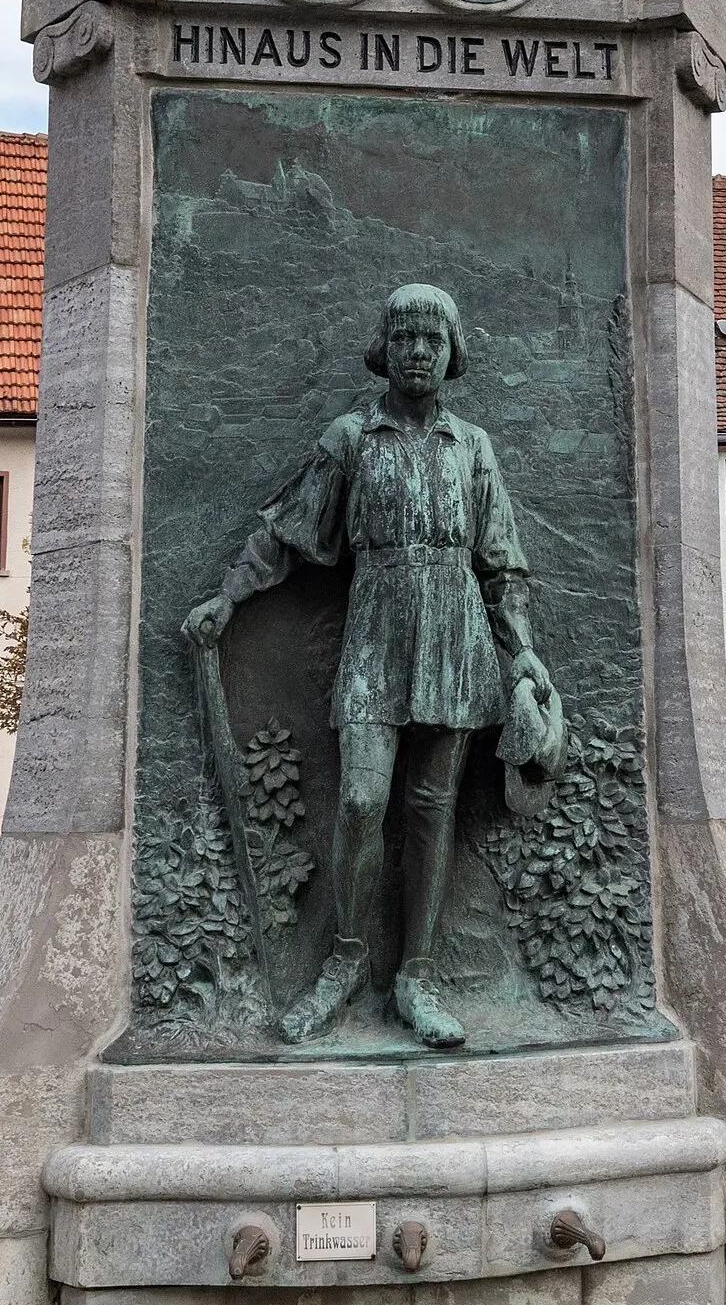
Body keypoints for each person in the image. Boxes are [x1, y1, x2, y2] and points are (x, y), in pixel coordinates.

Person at [183, 284, 553, 1049]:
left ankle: (416, 976)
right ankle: (346, 962)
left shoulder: (473, 448)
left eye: (434, 339)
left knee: (430, 807)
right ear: (385, 349)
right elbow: (285, 531)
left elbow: (503, 565)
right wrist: (229, 599)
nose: (419, 350)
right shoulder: (351, 438)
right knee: (360, 800)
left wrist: (521, 654)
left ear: (453, 355)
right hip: (378, 629)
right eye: (406, 337)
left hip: (454, 637)